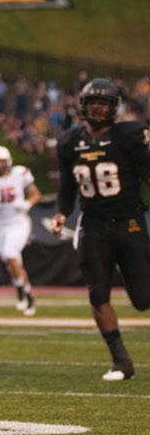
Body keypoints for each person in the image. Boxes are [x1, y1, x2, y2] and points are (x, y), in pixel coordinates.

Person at [52, 78, 150, 381]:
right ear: (83, 106)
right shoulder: (69, 141)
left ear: (113, 107)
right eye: (92, 102)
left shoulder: (129, 135)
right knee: (98, 293)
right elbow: (68, 187)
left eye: (103, 103)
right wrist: (61, 213)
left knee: (143, 299)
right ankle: (121, 361)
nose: (97, 108)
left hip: (129, 222)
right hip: (93, 225)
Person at [0, 145, 39, 315]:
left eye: (1, 162)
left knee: (10, 253)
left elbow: (36, 194)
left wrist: (26, 204)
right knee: (9, 261)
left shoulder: (20, 173)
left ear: (8, 161)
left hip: (18, 221)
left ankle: (29, 294)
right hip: (0, 224)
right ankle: (20, 289)